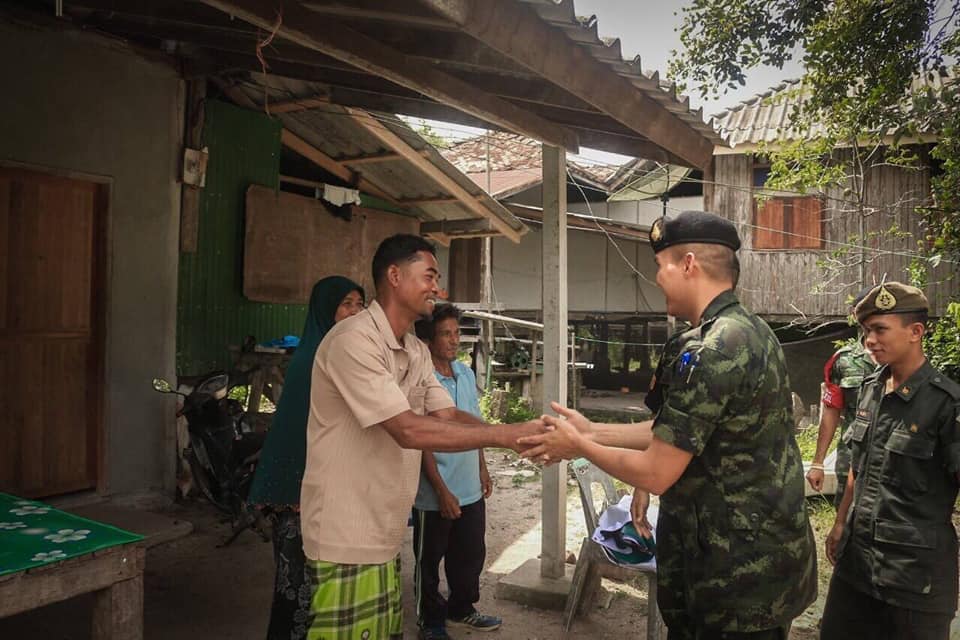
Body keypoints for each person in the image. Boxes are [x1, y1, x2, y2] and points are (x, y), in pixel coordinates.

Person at [518, 210, 818, 639]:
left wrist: (579, 448)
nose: (656, 278)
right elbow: (674, 430)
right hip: (745, 566)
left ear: (689, 265)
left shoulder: (717, 347)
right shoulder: (748, 331)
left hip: (736, 581)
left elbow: (657, 470)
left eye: (661, 266)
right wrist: (590, 430)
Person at [300, 234, 545, 639]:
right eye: (429, 275)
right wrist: (506, 435)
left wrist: (520, 433)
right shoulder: (353, 341)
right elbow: (408, 429)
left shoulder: (413, 350)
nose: (438, 287)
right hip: (345, 531)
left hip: (381, 531)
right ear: (395, 276)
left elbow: (447, 413)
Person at [820, 282, 960, 640]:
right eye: (867, 330)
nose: (869, 340)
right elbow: (857, 465)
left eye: (880, 329)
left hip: (914, 579)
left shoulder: (946, 405)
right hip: (856, 567)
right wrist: (840, 522)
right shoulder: (869, 390)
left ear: (916, 332)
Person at [246, 276, 365, 640]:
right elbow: (301, 438)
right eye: (347, 304)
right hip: (296, 498)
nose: (356, 312)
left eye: (360, 304)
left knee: (320, 595)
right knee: (296, 594)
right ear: (323, 310)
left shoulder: (337, 356)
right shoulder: (315, 361)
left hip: (321, 496)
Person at [412, 304, 500, 640]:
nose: (453, 340)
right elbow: (420, 441)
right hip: (436, 492)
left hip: (470, 486)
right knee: (429, 561)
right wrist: (441, 490)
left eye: (456, 333)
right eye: (445, 334)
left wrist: (483, 468)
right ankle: (430, 621)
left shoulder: (465, 373)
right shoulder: (422, 380)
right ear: (430, 340)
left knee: (470, 554)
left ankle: (463, 608)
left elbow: (473, 427)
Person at [806, 290, 877, 506]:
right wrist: (818, 462)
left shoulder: (904, 358)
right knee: (847, 522)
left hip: (896, 459)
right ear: (855, 315)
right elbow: (831, 410)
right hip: (851, 457)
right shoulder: (844, 361)